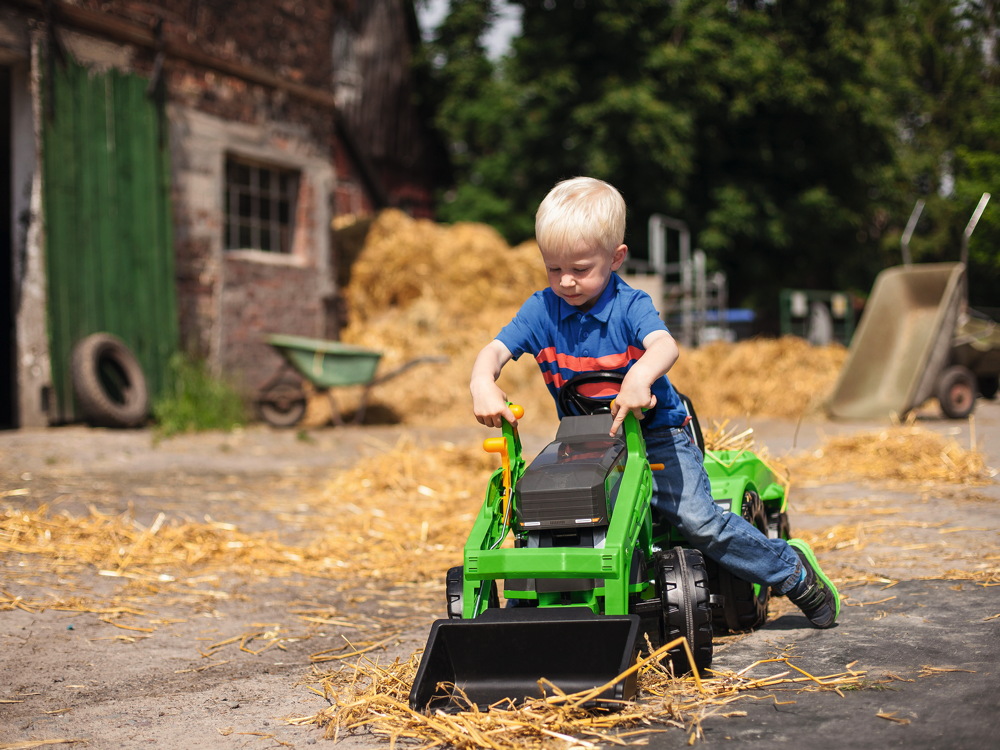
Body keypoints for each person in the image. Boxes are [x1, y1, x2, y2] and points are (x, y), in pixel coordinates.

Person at [469, 176, 839, 628]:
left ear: (616, 257)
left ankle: (790, 570)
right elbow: (493, 351)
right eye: (553, 268)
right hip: (589, 444)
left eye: (581, 268)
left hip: (657, 434)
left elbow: (665, 345)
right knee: (550, 516)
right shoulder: (541, 310)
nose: (565, 281)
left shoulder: (630, 305)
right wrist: (482, 382)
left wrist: (639, 375)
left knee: (698, 523)